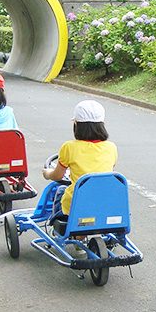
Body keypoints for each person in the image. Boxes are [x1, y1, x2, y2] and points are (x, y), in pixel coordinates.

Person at [42, 99, 118, 255]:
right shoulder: (111, 148)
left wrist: (47, 173)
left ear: (76, 125)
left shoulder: (69, 147)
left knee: (62, 190)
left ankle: (71, 233)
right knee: (93, 194)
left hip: (79, 204)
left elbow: (58, 175)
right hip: (107, 203)